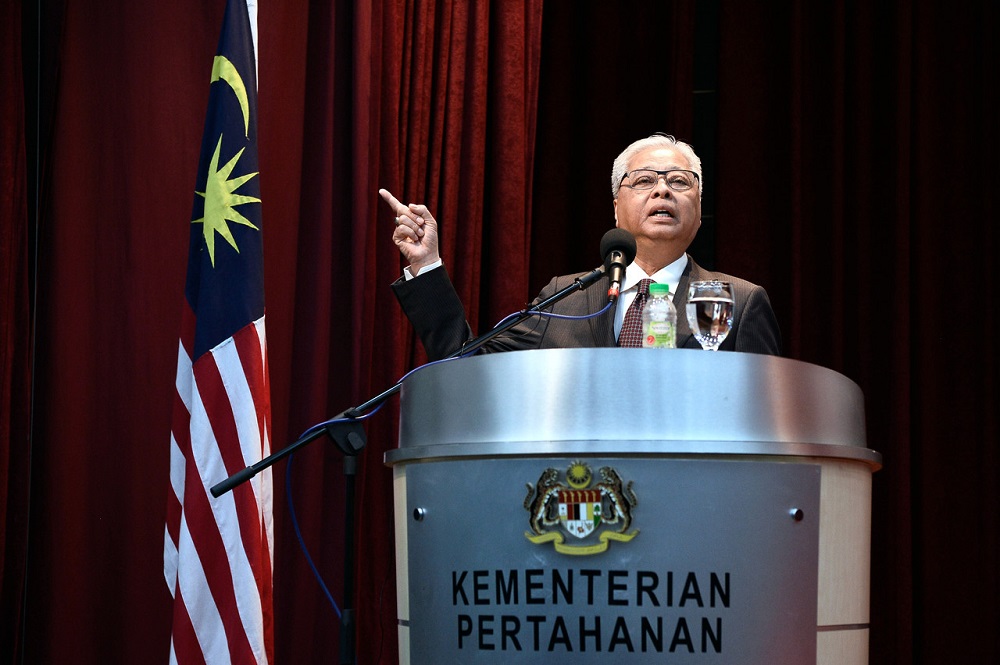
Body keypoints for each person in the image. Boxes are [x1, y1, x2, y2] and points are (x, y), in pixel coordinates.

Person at [379, 133, 781, 360]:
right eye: (643, 180)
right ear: (615, 209)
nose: (662, 189)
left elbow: (766, 415)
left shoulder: (739, 301)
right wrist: (427, 265)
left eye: (679, 181)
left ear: (699, 211)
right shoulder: (564, 298)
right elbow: (464, 362)